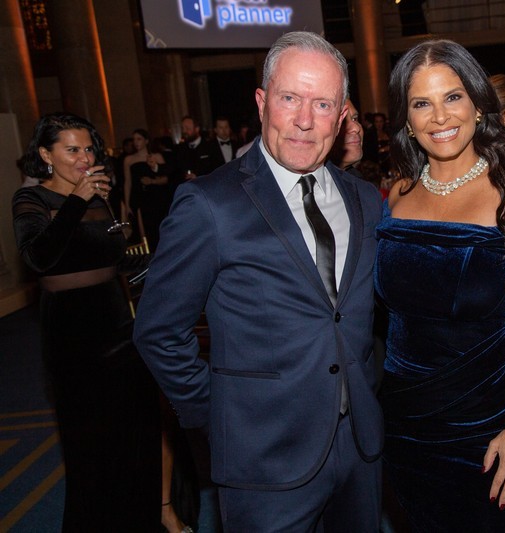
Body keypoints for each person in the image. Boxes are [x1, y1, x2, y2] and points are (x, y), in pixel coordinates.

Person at [132, 31, 384, 531]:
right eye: (290, 98)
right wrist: (221, 416)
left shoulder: (364, 200)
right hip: (264, 457)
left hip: (360, 449)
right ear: (263, 102)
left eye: (322, 104)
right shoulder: (209, 203)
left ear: (341, 116)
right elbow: (158, 331)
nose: (305, 120)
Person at [377, 39, 505, 531]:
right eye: (422, 103)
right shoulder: (397, 194)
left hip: (494, 426)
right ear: (406, 119)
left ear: (479, 105)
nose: (440, 117)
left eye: (453, 97)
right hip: (408, 428)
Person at [12, 112, 161, 530]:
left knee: (135, 433)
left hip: (119, 324)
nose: (84, 158)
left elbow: (118, 262)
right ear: (46, 155)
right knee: (91, 442)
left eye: (89, 149)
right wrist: (77, 200)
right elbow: (39, 257)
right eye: (72, 150)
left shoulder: (99, 198)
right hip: (72, 333)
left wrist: (173, 258)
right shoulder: (31, 199)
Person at [123, 128, 171, 249]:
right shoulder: (128, 159)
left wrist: (152, 181)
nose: (136, 142)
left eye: (139, 139)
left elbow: (166, 179)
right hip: (138, 198)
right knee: (142, 231)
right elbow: (127, 182)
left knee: (158, 229)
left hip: (155, 197)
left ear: (146, 141)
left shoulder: (156, 156)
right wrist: (127, 204)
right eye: (134, 139)